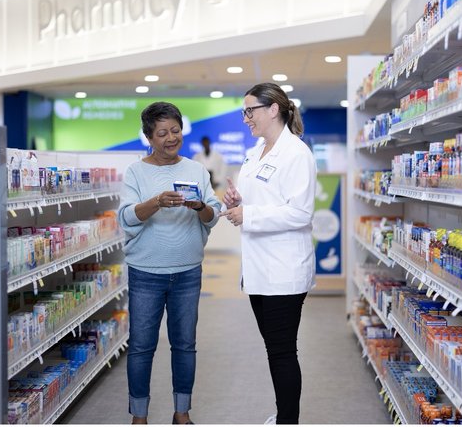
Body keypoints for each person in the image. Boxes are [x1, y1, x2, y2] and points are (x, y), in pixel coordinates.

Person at [118, 101, 221, 425]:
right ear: (149, 137)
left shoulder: (196, 170)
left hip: (188, 272)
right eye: (162, 133)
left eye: (175, 130)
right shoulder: (136, 171)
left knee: (185, 345)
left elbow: (213, 214)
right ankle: (139, 415)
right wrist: (156, 202)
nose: (170, 138)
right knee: (141, 347)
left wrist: (200, 205)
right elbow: (126, 217)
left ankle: (182, 412)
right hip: (146, 273)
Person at [221, 83, 317, 424]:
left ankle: (287, 420)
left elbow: (300, 213)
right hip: (260, 269)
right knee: (275, 350)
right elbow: (261, 200)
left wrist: (250, 215)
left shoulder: (296, 154)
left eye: (250, 111)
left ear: (273, 109)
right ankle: (283, 416)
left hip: (284, 270)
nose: (246, 118)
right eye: (244, 112)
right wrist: (238, 203)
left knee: (281, 352)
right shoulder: (256, 152)